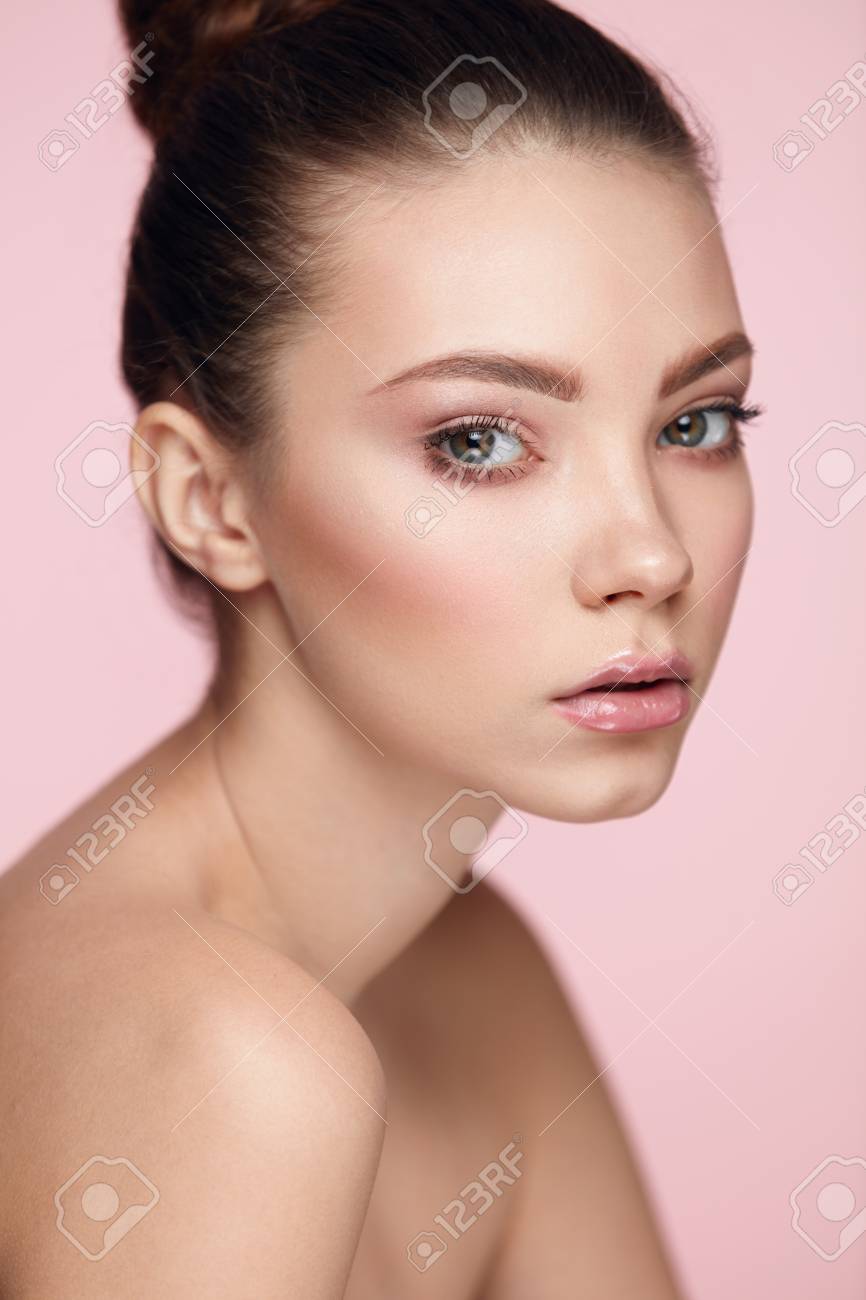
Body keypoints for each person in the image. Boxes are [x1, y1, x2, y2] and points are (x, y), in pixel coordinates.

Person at [0, 0, 761, 1293]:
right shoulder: (224, 1067)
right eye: (476, 440)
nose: (650, 557)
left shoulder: (472, 977)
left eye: (693, 423)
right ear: (208, 499)